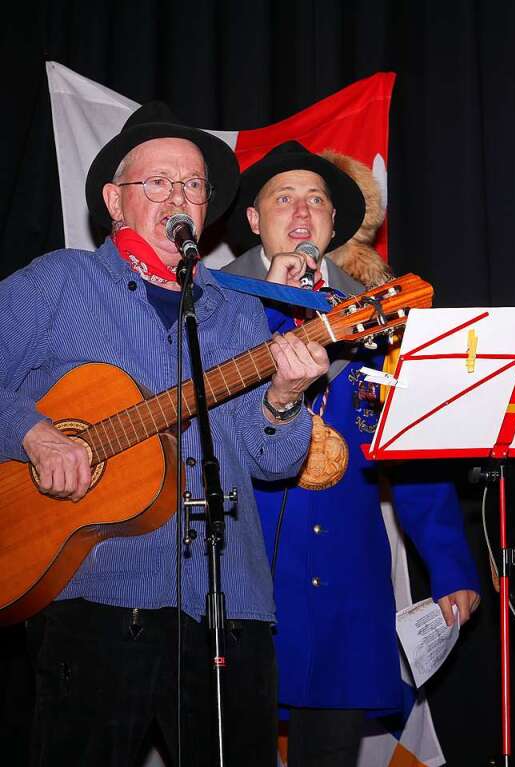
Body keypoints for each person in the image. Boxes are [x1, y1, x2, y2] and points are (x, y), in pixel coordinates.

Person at [0, 102, 329, 766]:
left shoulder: (239, 309)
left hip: (229, 608)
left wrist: (285, 401)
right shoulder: (61, 282)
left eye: (194, 185)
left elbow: (269, 460)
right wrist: (33, 433)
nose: (179, 196)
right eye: (159, 182)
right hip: (91, 600)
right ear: (115, 200)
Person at [223, 141, 481, 767]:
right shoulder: (217, 306)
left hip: (347, 582)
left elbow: (411, 450)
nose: (303, 213)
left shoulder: (379, 320)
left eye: (317, 201)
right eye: (284, 199)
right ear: (255, 221)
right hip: (245, 580)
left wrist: (449, 565)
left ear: (335, 224)